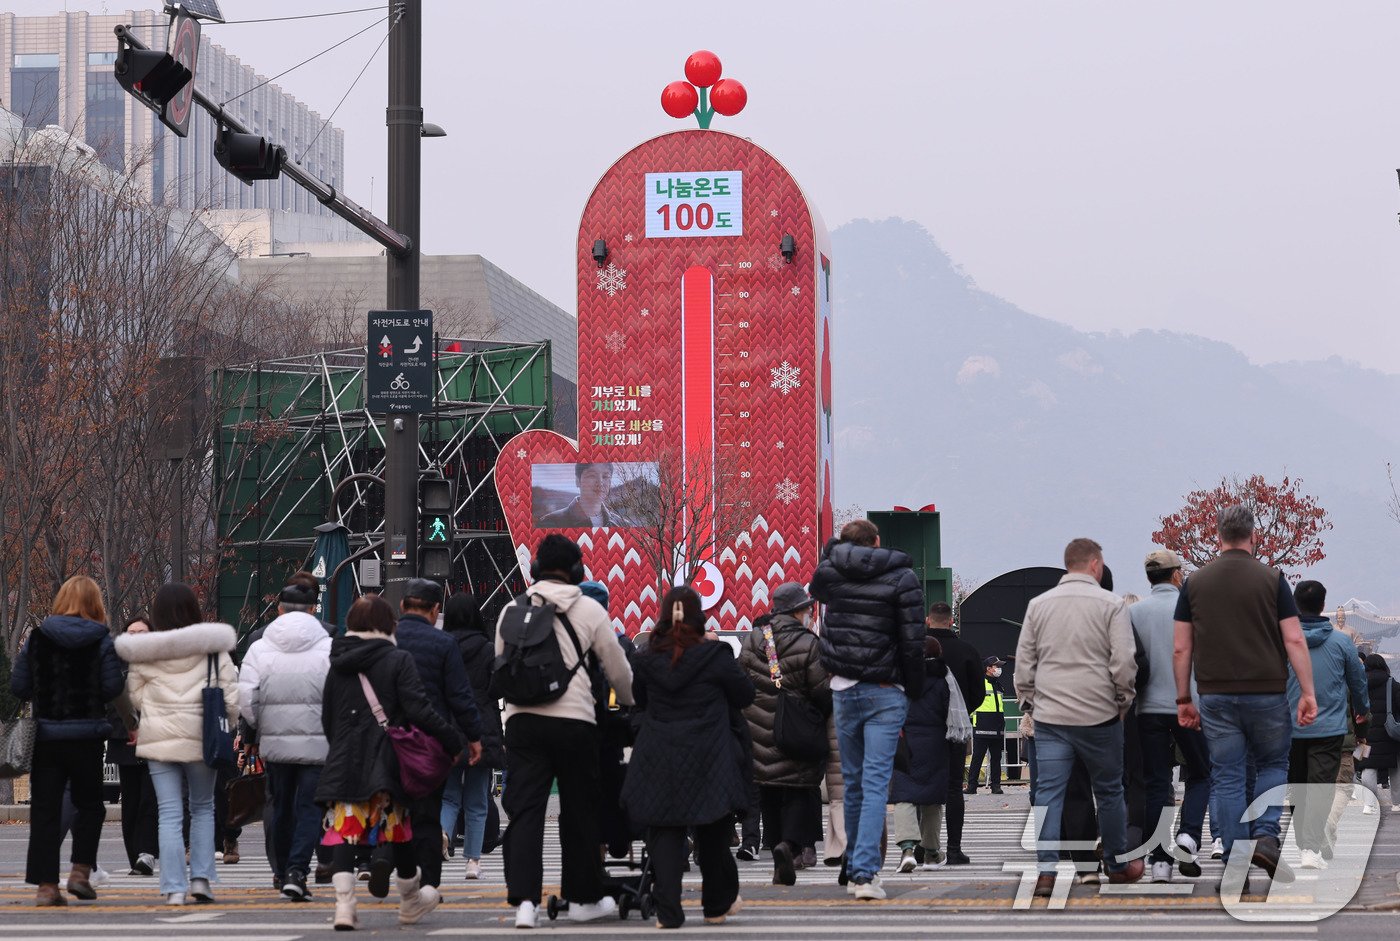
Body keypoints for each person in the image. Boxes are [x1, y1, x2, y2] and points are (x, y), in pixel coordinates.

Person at [1173, 505, 1317, 893]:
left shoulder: (1194, 584)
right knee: (1272, 763)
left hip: (1216, 694)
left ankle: (1235, 870)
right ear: (1254, 536)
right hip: (1267, 691)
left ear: (1216, 536)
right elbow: (1293, 638)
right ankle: (1267, 836)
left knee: (1228, 777)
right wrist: (1306, 691)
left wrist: (1184, 697)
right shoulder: (1273, 580)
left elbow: (1181, 649)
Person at [497, 534, 634, 929]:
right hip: (575, 723)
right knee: (579, 812)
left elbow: (501, 665)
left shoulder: (512, 608)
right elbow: (618, 669)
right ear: (576, 571)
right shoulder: (589, 610)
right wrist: (628, 701)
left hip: (522, 723)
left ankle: (525, 904)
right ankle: (582, 900)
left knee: (525, 812)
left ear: (536, 569)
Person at [315, 594, 462, 931]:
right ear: (387, 625)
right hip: (387, 758)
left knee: (344, 832)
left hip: (345, 758)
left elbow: (328, 717)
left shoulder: (337, 662)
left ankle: (344, 906)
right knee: (398, 830)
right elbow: (420, 710)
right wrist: (452, 741)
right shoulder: (398, 660)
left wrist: (341, 747)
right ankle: (410, 901)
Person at [1015, 538, 1143, 898]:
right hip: (1100, 714)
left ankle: (1046, 871)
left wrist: (1031, 703)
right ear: (1096, 565)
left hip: (1051, 717)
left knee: (1049, 795)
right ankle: (1117, 863)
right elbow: (1123, 662)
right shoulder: (1111, 605)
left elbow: (1024, 666)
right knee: (1109, 791)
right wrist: (1122, 702)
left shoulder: (1038, 606)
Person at [623, 586, 752, 928]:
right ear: (699, 617)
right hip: (710, 755)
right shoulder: (716, 656)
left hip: (659, 753)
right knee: (712, 832)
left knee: (665, 832)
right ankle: (715, 906)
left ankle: (669, 913)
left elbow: (638, 701)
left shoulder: (645, 657)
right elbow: (744, 695)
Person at [811, 518, 926, 900]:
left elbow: (816, 587)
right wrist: (913, 687)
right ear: (877, 541)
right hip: (884, 687)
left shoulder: (831, 574)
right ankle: (864, 873)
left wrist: (834, 549)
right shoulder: (902, 577)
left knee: (855, 783)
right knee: (876, 783)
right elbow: (912, 640)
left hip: (843, 687)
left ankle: (856, 868)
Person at [114, 583, 239, 906]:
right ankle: (200, 879)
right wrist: (230, 727)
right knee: (202, 808)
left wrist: (148, 715)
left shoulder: (146, 652)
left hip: (159, 738)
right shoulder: (214, 648)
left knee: (168, 813)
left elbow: (133, 695)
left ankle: (173, 887)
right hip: (202, 738)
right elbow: (231, 697)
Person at [10, 575, 124, 906]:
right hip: (86, 736)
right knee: (90, 805)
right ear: (95, 604)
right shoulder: (102, 640)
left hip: (46, 737)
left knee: (45, 809)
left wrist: (45, 689)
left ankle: (46, 885)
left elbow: (19, 686)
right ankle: (80, 872)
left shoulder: (38, 638)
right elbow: (113, 688)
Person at [239, 578, 333, 901]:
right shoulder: (328, 645)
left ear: (279, 609)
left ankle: (280, 872)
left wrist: (261, 726)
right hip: (317, 744)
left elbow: (247, 698)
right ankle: (297, 871)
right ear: (312, 610)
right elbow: (337, 695)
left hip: (275, 744)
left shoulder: (259, 647)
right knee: (309, 808)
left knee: (279, 807)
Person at [391, 578, 483, 893]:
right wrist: (473, 736)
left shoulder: (389, 639)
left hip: (391, 740)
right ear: (434, 610)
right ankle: (428, 883)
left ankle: (391, 866)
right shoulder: (444, 644)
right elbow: (460, 696)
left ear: (402, 606)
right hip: (431, 743)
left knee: (395, 809)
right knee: (428, 814)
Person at [738, 582, 831, 885]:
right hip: (795, 730)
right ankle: (788, 846)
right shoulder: (808, 643)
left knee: (768, 791)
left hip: (758, 730)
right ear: (798, 610)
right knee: (796, 790)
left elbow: (742, 681)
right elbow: (821, 691)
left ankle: (775, 847)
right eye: (807, 608)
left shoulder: (755, 638)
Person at [1129, 549, 1211, 883]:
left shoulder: (1133, 613)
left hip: (1146, 709)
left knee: (1156, 783)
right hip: (1187, 706)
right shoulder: (1193, 610)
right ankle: (1188, 834)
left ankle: (1160, 860)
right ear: (1177, 575)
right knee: (1202, 774)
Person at [1286, 580, 1368, 870]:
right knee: (1320, 786)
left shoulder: (1282, 640)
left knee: (1297, 785)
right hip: (1330, 726)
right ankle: (1310, 847)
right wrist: (1362, 710)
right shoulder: (1342, 642)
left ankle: (1304, 843)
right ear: (1324, 606)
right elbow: (1358, 682)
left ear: (1295, 604)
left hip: (1291, 726)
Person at [440, 592, 503, 880]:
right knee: (477, 799)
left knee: (449, 795)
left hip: (448, 725)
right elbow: (496, 688)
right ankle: (473, 863)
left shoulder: (442, 646)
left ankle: (442, 833)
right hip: (482, 725)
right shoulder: (487, 649)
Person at [924, 601, 983, 865]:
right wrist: (961, 712)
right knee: (953, 789)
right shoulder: (967, 651)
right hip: (956, 731)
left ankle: (920, 847)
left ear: (928, 621)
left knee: (921, 786)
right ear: (951, 621)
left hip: (922, 729)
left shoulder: (916, 650)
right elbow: (979, 694)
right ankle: (955, 848)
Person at [891, 634, 952, 872]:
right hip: (936, 742)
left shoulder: (901, 678)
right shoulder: (943, 680)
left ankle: (907, 849)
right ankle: (931, 853)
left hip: (905, 740)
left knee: (904, 794)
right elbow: (950, 712)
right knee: (932, 798)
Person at [110, 617, 158, 878]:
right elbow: (109, 696)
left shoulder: (160, 661)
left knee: (150, 800)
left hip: (155, 738)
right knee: (130, 801)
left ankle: (147, 853)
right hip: (123, 739)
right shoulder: (116, 662)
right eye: (131, 632)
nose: (136, 636)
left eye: (141, 632)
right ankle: (135, 856)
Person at [1359, 654, 1400, 812]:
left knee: (1366, 767)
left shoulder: (1359, 684)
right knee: (1395, 767)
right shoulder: (1393, 685)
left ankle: (1368, 804)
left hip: (1364, 734)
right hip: (1390, 734)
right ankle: (1396, 804)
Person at [536, 463, 634, 528]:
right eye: (591, 475)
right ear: (577, 481)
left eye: (605, 476)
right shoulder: (550, 523)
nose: (600, 483)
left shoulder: (623, 525)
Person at [965, 657, 1006, 795]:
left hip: (997, 726)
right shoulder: (980, 684)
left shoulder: (999, 685)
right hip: (982, 726)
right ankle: (972, 786)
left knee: (996, 758)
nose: (998, 669)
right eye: (996, 666)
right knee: (977, 757)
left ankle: (996, 785)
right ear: (988, 668)